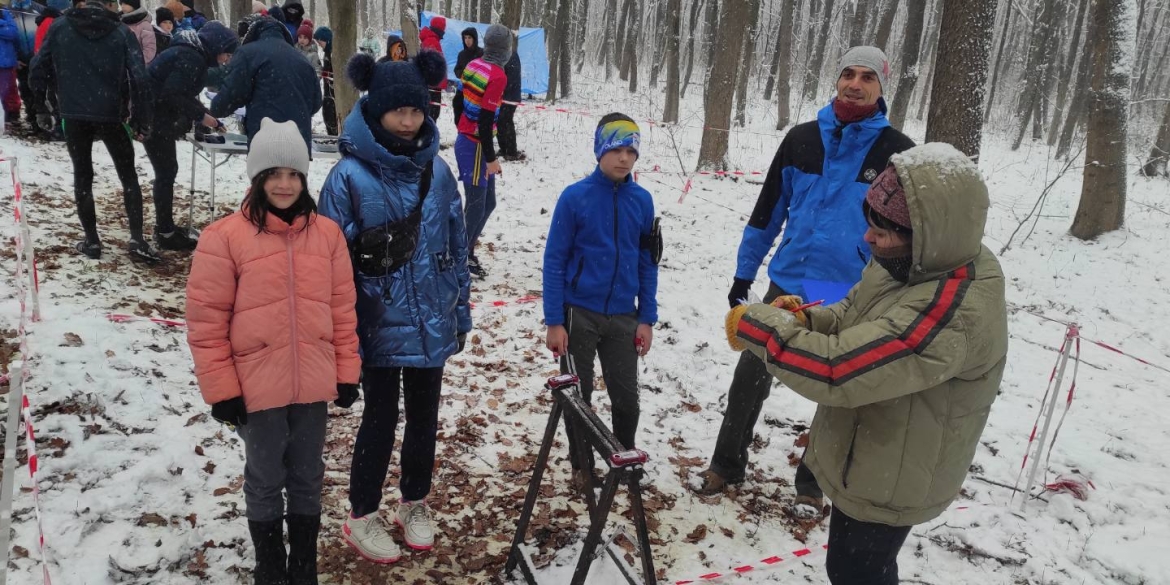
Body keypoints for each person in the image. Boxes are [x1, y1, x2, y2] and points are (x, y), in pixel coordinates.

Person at [725, 143, 1008, 585]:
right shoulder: (907, 262)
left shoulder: (954, 311)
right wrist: (803, 317)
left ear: (928, 234)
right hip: (871, 453)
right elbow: (850, 316)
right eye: (869, 224)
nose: (867, 239)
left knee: (857, 573)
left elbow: (838, 370)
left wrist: (759, 324)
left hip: (896, 474)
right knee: (850, 568)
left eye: (883, 231)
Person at [693, 46, 915, 501]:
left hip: (851, 290)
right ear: (837, 80)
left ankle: (813, 483)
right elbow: (767, 212)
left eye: (867, 77)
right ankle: (725, 465)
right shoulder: (801, 138)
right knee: (750, 377)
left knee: (835, 392)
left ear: (880, 87)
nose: (855, 83)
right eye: (848, 74)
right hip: (788, 283)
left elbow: (909, 230)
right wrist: (742, 274)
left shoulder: (897, 152)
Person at [186, 117, 361, 585]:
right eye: (274, 174)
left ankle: (303, 563)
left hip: (311, 382)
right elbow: (207, 321)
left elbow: (343, 308)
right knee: (265, 477)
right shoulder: (223, 238)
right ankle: (269, 565)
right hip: (256, 386)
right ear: (257, 177)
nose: (284, 184)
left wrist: (347, 372)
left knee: (307, 475)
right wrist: (221, 389)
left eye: (294, 174)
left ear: (305, 177)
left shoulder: (327, 236)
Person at [318, 50, 471, 564]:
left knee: (425, 416)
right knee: (380, 417)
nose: (408, 120)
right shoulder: (347, 177)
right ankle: (362, 513)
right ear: (375, 108)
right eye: (398, 111)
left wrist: (460, 312)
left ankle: (414, 501)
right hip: (376, 324)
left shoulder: (441, 172)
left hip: (432, 321)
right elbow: (329, 262)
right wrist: (340, 335)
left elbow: (457, 247)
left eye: (416, 110)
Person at [543, 113, 658, 491]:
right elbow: (555, 259)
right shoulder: (574, 197)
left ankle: (624, 457)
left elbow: (647, 260)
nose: (624, 159)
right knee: (580, 398)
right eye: (616, 149)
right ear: (599, 150)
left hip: (624, 315)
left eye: (631, 151)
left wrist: (647, 317)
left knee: (627, 398)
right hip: (580, 314)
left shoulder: (642, 201)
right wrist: (555, 319)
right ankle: (582, 465)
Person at [29, 0, 157, 262]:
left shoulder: (61, 27)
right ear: (109, 4)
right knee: (128, 175)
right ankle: (137, 238)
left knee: (83, 175)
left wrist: (40, 106)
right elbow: (139, 76)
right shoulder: (121, 31)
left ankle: (92, 241)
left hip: (73, 113)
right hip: (111, 112)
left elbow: (38, 66)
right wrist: (141, 118)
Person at [145, 23, 237, 251]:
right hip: (154, 117)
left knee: (167, 170)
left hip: (155, 114)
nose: (226, 59)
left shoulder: (189, 53)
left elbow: (182, 93)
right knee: (166, 172)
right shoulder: (191, 57)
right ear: (216, 47)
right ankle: (165, 232)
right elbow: (172, 94)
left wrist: (207, 115)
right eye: (226, 53)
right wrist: (201, 116)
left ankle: (165, 226)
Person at [211, 15, 320, 150]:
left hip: (264, 140)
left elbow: (232, 95)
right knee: (291, 171)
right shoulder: (301, 59)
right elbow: (315, 103)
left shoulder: (247, 54)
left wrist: (215, 109)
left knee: (268, 171)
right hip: (299, 143)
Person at [455, 23, 510, 278]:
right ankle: (458, 257)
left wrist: (461, 124)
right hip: (476, 145)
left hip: (469, 140)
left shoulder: (473, 65)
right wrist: (490, 158)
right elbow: (487, 120)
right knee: (476, 205)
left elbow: (457, 100)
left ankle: (465, 250)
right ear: (505, 49)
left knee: (488, 202)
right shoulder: (497, 75)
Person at [498, 31, 523, 161]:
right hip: (503, 96)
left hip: (510, 97)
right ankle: (503, 148)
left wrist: (502, 90)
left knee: (506, 122)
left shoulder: (511, 56)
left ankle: (511, 151)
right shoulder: (503, 55)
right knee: (501, 122)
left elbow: (511, 78)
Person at [450, 26, 479, 126]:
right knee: (457, 105)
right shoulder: (461, 54)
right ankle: (460, 130)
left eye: (469, 38)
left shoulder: (481, 53)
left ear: (474, 39)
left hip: (477, 89)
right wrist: (463, 73)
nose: (467, 40)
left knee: (474, 114)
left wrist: (473, 75)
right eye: (465, 38)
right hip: (463, 88)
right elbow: (457, 69)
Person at [418, 15, 444, 121]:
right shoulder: (432, 42)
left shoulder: (431, 40)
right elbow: (432, 65)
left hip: (432, 84)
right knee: (433, 113)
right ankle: (430, 135)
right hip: (433, 84)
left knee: (432, 112)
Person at [312, 25, 334, 135]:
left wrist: (328, 75)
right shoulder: (327, 53)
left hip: (332, 93)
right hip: (327, 90)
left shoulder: (333, 54)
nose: (319, 45)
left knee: (331, 114)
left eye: (320, 42)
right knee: (327, 112)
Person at [0, 7, 19, 130]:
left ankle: (10, 116)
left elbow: (13, 33)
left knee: (7, 90)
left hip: (6, 61)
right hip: (6, 59)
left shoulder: (4, 13)